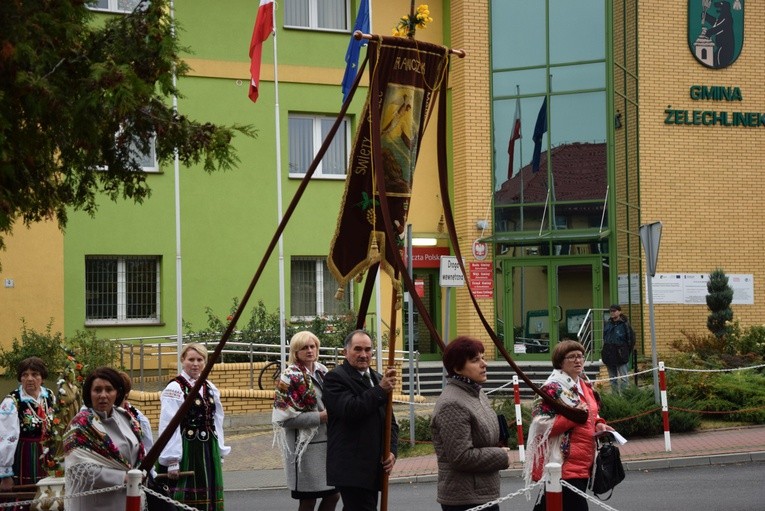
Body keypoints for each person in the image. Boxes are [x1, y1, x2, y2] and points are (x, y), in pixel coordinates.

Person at [525, 340, 613, 511]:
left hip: (585, 461)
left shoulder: (584, 385)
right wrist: (574, 417)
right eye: (571, 357)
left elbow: (592, 414)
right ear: (560, 361)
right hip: (563, 462)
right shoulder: (551, 389)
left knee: (552, 506)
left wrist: (599, 424)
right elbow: (540, 425)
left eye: (580, 356)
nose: (578, 360)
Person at [430, 336, 511, 511]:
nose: (484, 364)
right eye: (475, 360)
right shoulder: (452, 403)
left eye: (483, 357)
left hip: (483, 493)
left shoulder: (478, 393)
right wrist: (500, 455)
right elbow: (461, 457)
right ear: (458, 368)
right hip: (464, 500)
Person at [322, 329, 398, 511]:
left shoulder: (378, 378)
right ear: (345, 352)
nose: (363, 355)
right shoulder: (335, 378)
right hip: (352, 468)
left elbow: (391, 422)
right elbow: (351, 409)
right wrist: (380, 391)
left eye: (368, 349)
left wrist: (392, 452)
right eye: (357, 349)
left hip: (374, 467)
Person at [157, 343, 230, 511]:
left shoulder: (209, 387)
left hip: (207, 447)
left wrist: (219, 450)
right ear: (182, 360)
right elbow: (169, 424)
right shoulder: (175, 387)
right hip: (186, 448)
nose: (195, 364)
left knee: (208, 495)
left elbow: (217, 419)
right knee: (184, 499)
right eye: (191, 359)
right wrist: (172, 460)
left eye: (200, 359)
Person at [272, 331, 339, 511]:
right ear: (295, 351)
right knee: (308, 500)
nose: (310, 350)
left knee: (334, 494)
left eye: (313, 346)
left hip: (328, 445)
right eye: (304, 347)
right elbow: (283, 419)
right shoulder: (288, 377)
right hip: (304, 450)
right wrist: (320, 417)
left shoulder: (323, 371)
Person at [63, 367, 145, 511]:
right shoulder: (80, 425)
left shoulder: (127, 418)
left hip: (128, 500)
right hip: (95, 504)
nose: (103, 395)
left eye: (109, 389)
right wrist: (121, 477)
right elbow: (78, 469)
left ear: (117, 392)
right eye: (97, 390)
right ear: (89, 393)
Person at [0, 357, 56, 501]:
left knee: (48, 495)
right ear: (20, 378)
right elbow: (6, 438)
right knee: (26, 495)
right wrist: (5, 474)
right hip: (24, 455)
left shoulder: (49, 395)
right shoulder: (12, 401)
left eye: (35, 374)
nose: (29, 379)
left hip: (47, 454)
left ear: (42, 378)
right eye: (25, 375)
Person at [602, 304, 636, 394]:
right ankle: (615, 398)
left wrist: (625, 351)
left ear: (619, 312)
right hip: (609, 353)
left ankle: (625, 397)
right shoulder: (608, 324)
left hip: (621, 353)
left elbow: (631, 340)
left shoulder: (625, 325)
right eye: (611, 311)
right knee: (613, 379)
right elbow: (604, 337)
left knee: (624, 378)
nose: (612, 313)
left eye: (614, 311)